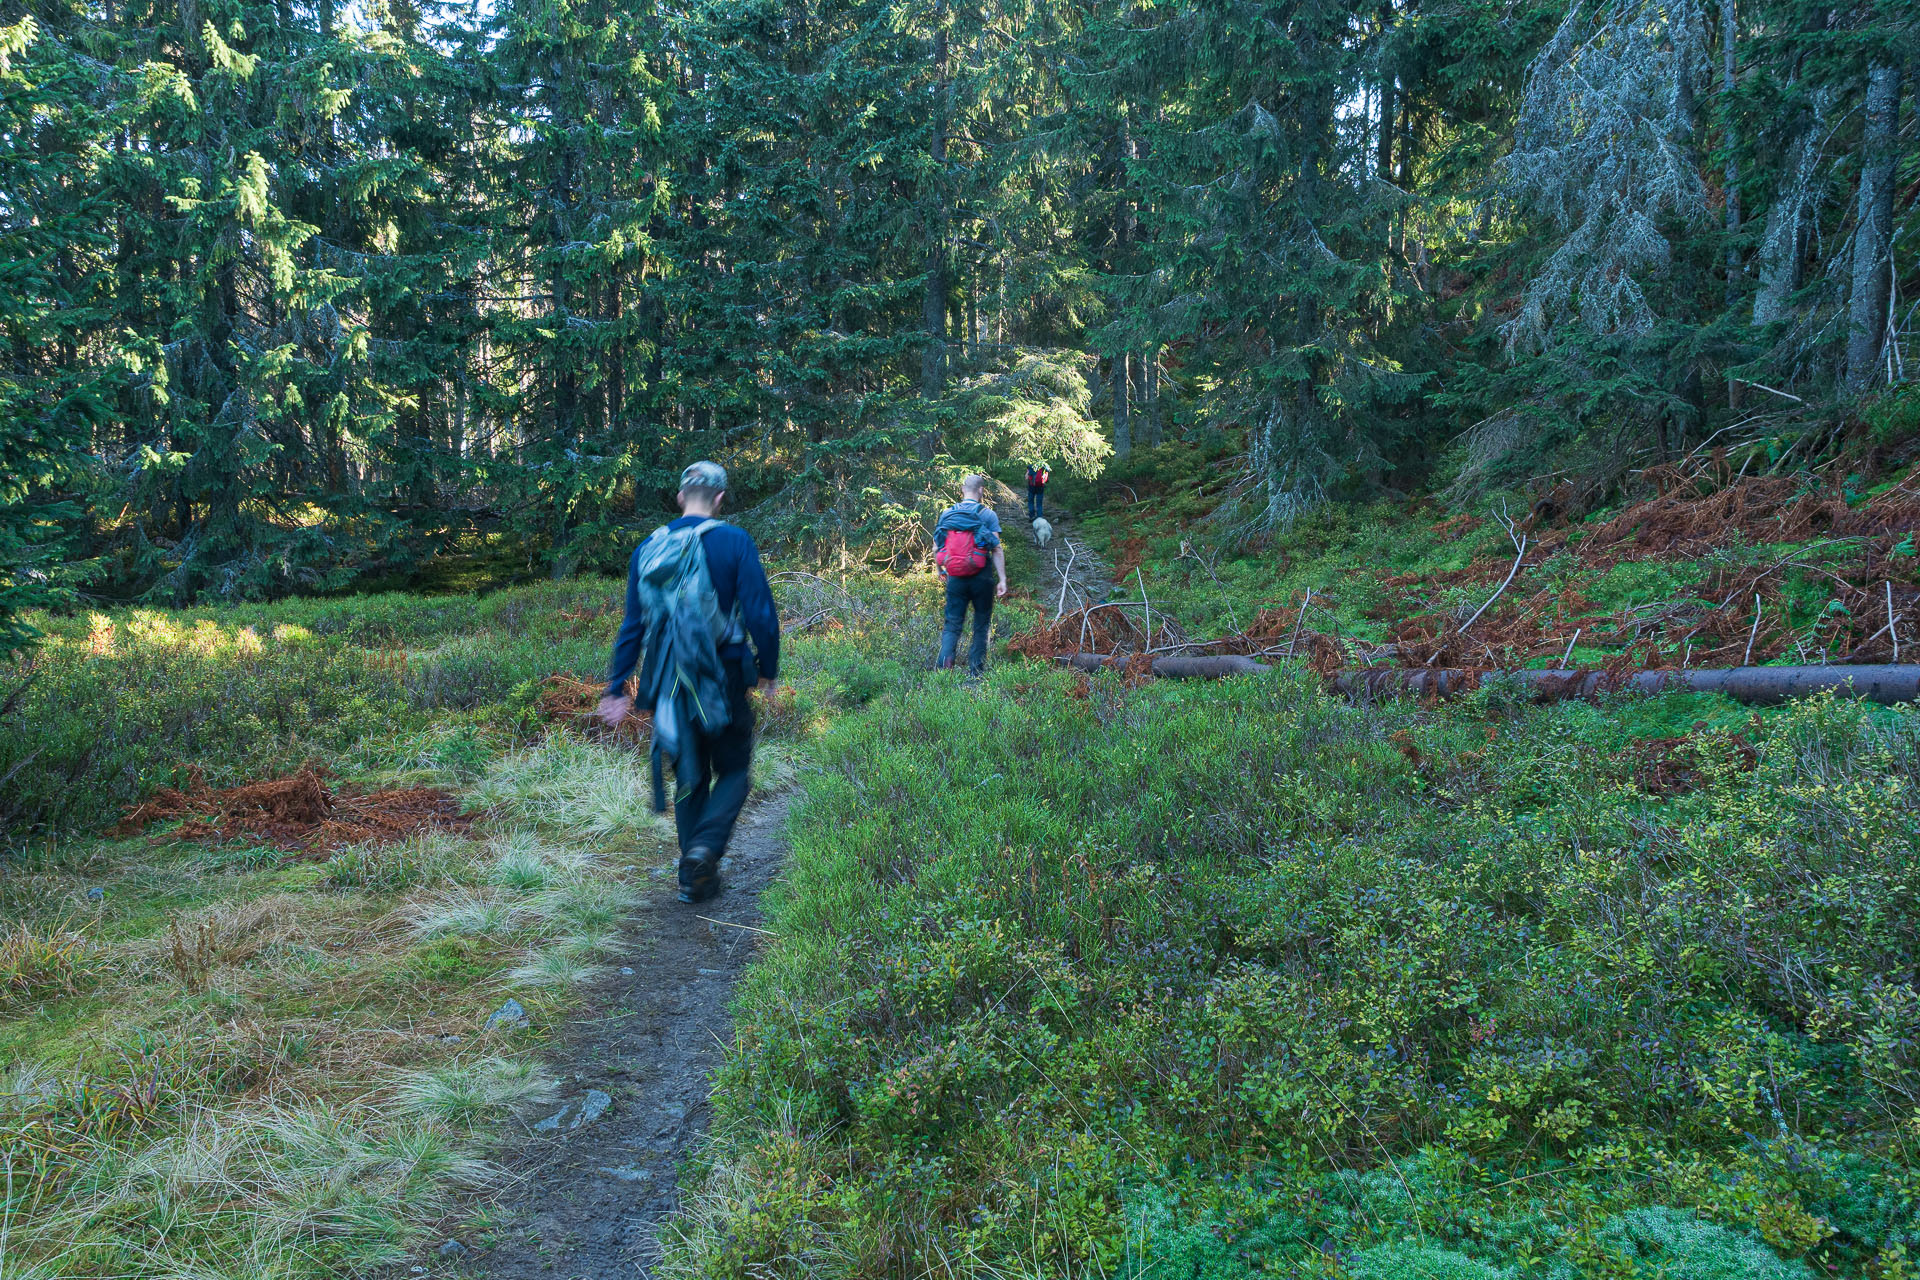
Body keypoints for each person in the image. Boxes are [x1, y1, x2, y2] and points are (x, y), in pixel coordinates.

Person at [597, 462, 779, 904]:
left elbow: (633, 626)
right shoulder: (735, 541)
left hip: (667, 682)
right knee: (734, 769)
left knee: (689, 778)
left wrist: (616, 687)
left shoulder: (649, 548)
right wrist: (767, 668)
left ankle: (691, 878)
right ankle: (703, 851)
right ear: (719, 499)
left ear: (681, 497)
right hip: (724, 675)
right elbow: (759, 613)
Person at [933, 474, 1007, 675]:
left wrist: (941, 571)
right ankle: (976, 671)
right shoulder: (988, 515)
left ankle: (944, 670)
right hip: (982, 578)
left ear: (962, 491)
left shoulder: (948, 514)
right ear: (981, 490)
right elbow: (997, 549)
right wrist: (1002, 579)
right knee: (981, 624)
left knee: (952, 624)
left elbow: (936, 547)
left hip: (955, 577)